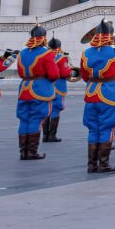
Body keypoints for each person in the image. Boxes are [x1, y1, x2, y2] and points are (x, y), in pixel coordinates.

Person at [79, 20, 115, 173]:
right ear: (111, 34)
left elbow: (84, 76)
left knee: (93, 129)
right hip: (110, 95)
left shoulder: (86, 53)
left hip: (91, 94)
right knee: (107, 128)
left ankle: (91, 164)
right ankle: (103, 164)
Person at [17, 25, 68, 160]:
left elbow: (20, 73)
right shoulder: (46, 54)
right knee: (36, 119)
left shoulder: (22, 53)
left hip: (24, 89)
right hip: (40, 89)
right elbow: (54, 74)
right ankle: (32, 152)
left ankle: (23, 151)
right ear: (43, 38)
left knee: (24, 120)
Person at [43, 37, 69, 144]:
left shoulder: (44, 56)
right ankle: (52, 135)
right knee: (55, 109)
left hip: (46, 86)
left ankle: (45, 135)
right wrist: (69, 70)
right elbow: (65, 73)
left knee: (46, 110)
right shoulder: (61, 58)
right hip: (59, 86)